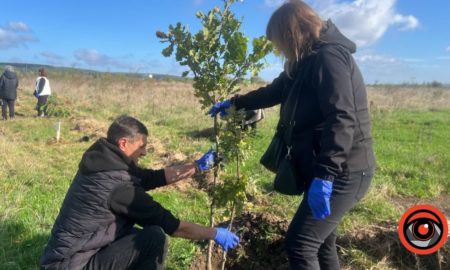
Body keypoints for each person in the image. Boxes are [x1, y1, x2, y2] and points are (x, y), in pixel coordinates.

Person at [209, 1, 375, 269]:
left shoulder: (328, 58)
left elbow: (342, 118)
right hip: (324, 167)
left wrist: (325, 175)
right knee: (322, 244)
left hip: (345, 171)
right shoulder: (303, 62)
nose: (278, 50)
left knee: (300, 243)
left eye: (279, 42)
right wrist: (235, 103)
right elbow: (273, 92)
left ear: (292, 33)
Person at [40, 115, 239, 270]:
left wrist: (196, 167)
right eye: (141, 146)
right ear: (124, 143)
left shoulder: (104, 160)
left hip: (69, 255)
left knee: (135, 235)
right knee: (154, 237)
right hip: (72, 265)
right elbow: (173, 226)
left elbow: (149, 178)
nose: (144, 152)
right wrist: (214, 233)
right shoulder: (119, 187)